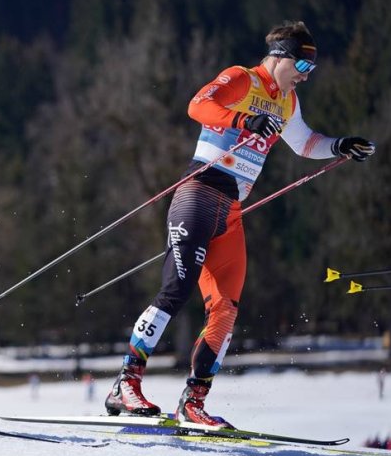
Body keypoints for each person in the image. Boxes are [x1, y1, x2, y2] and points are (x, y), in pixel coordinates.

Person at [105, 21, 376, 427]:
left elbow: (303, 143)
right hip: (198, 193)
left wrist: (339, 145)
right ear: (279, 57)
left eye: (312, 68)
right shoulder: (241, 78)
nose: (305, 73)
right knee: (177, 289)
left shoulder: (288, 102)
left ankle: (193, 402)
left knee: (226, 309)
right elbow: (198, 105)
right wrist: (243, 121)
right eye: (301, 63)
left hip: (230, 211)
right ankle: (126, 384)